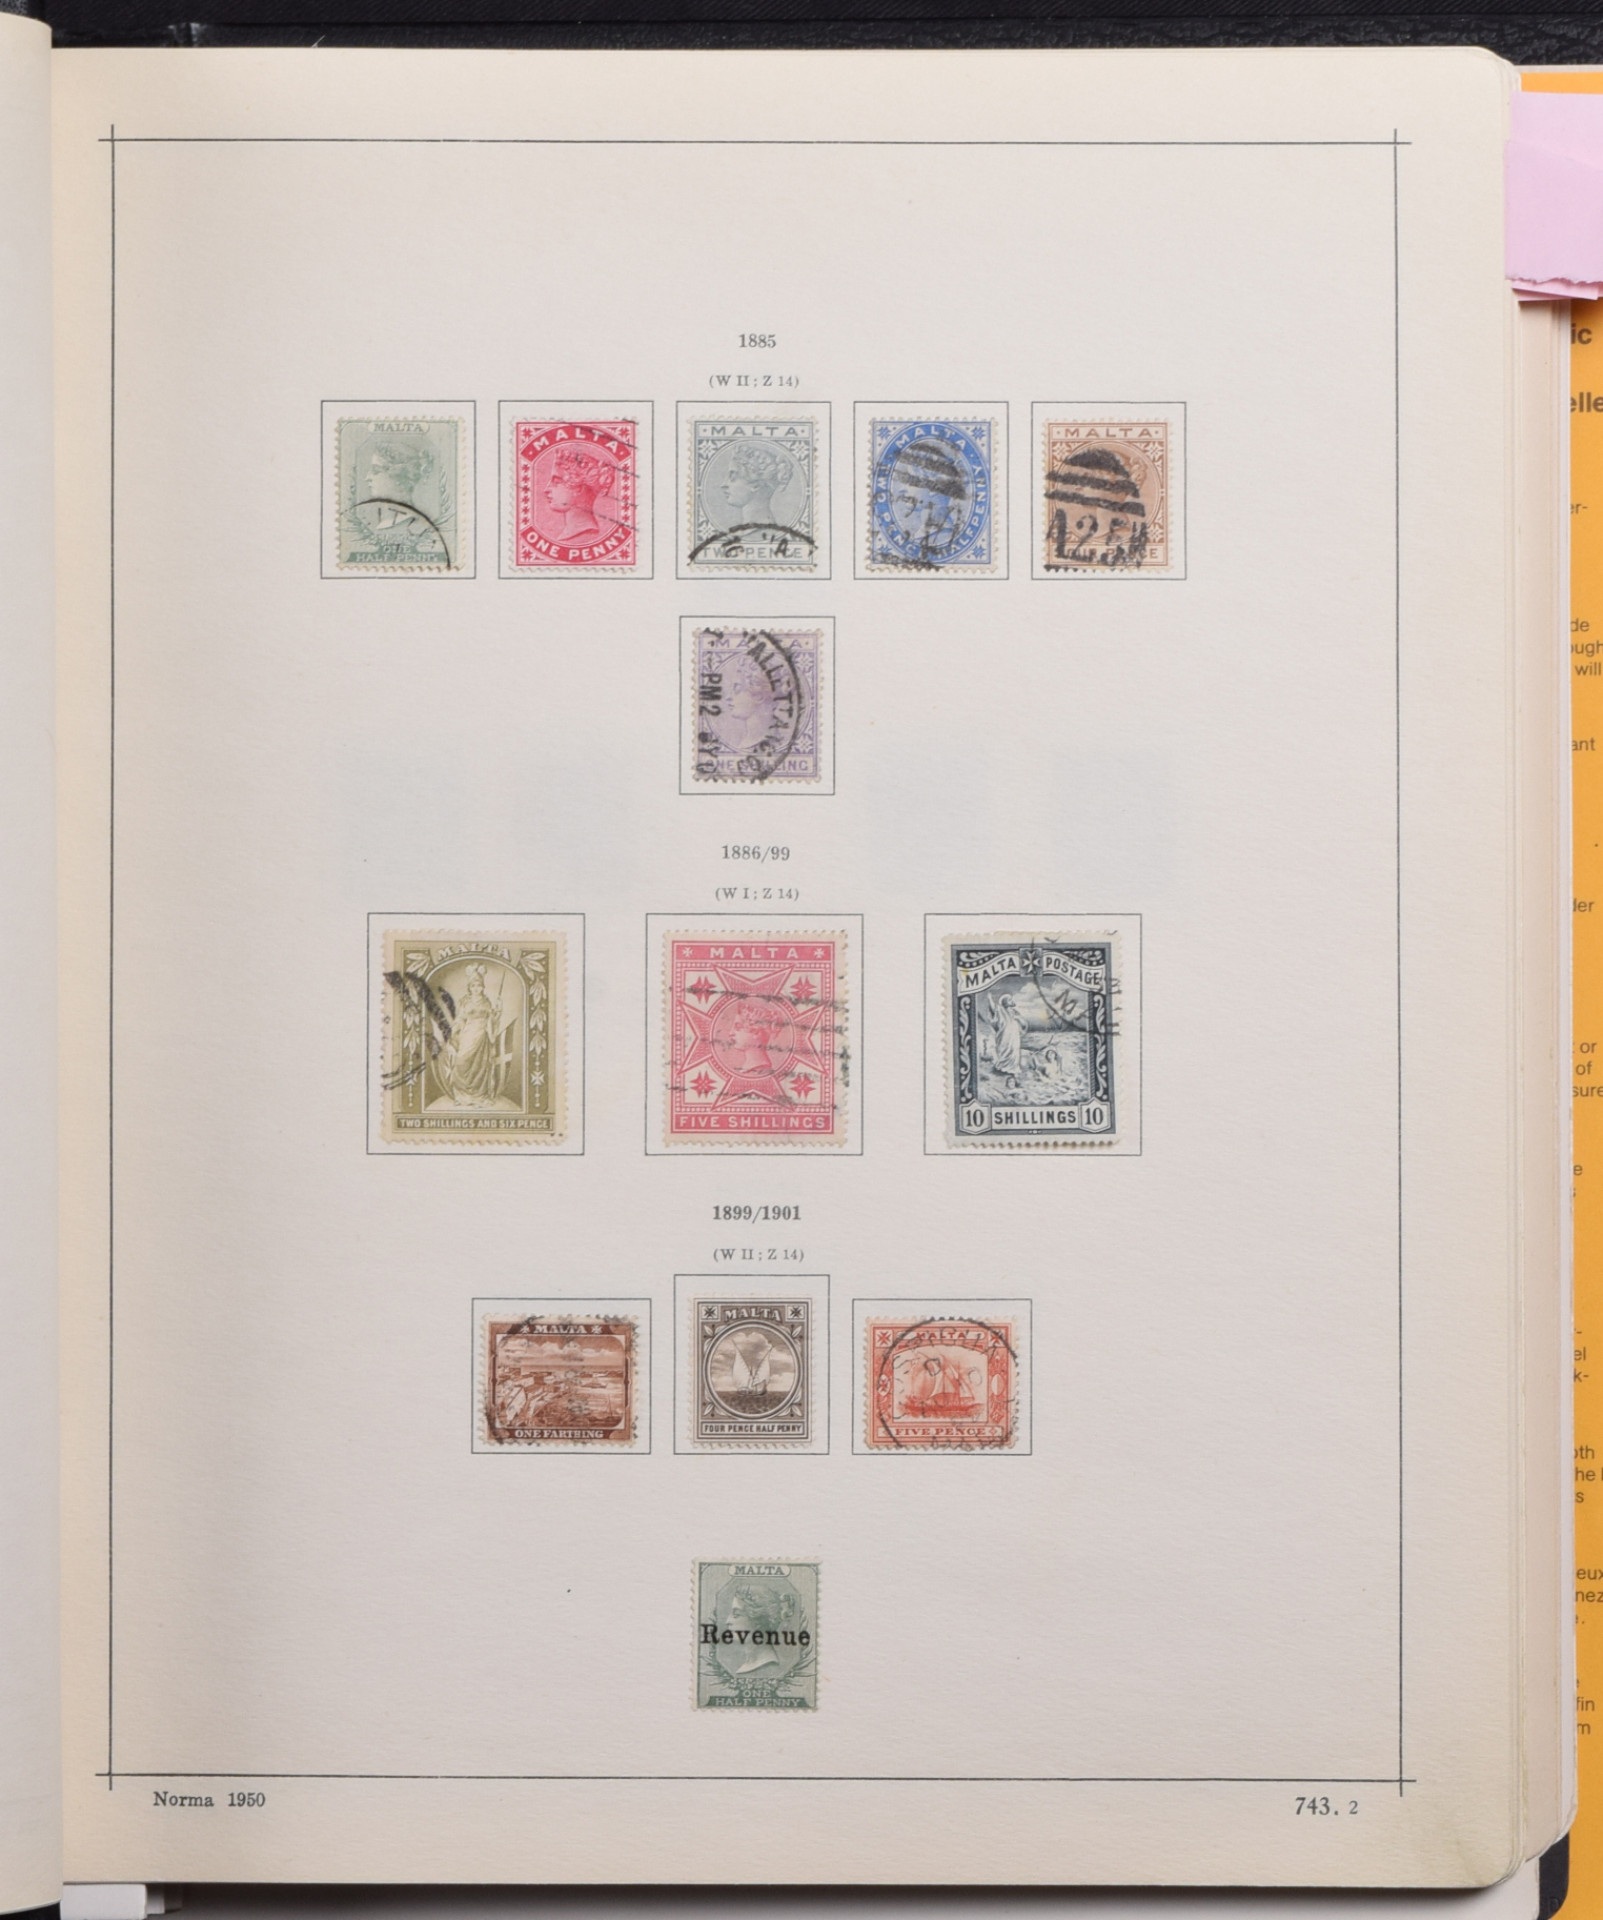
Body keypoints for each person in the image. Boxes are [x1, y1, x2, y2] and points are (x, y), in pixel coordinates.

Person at [431, 963, 514, 1110]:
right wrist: (452, 1031)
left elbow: (491, 1020)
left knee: (480, 1067)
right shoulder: (465, 1001)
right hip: (467, 1036)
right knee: (461, 1062)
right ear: (469, 987)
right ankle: (462, 1096)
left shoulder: (487, 1002)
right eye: (473, 986)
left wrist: (498, 1012)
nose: (476, 988)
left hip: (481, 1036)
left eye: (479, 986)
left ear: (483, 987)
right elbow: (460, 1019)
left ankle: (480, 1097)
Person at [540, 443, 616, 546]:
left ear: (579, 488)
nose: (546, 490)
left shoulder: (584, 533)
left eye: (557, 481)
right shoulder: (569, 533)